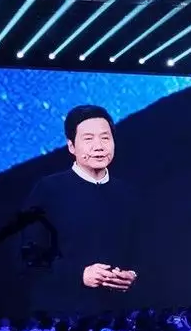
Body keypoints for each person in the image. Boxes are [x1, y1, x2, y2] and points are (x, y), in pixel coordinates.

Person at [21, 105, 139, 316]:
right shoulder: (49, 189)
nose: (99, 146)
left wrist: (132, 274)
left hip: (119, 315)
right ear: (71, 146)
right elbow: (30, 254)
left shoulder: (126, 192)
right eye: (88, 139)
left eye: (105, 138)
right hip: (62, 315)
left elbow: (142, 247)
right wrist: (79, 274)